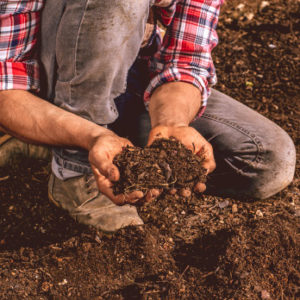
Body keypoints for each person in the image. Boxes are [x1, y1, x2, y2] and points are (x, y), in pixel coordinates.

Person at [0, 0, 296, 232]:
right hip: (44, 81)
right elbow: (5, 89)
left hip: (129, 80)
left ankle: (61, 142)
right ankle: (74, 171)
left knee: (266, 160)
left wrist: (172, 122)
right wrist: (92, 136)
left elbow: (186, 60)